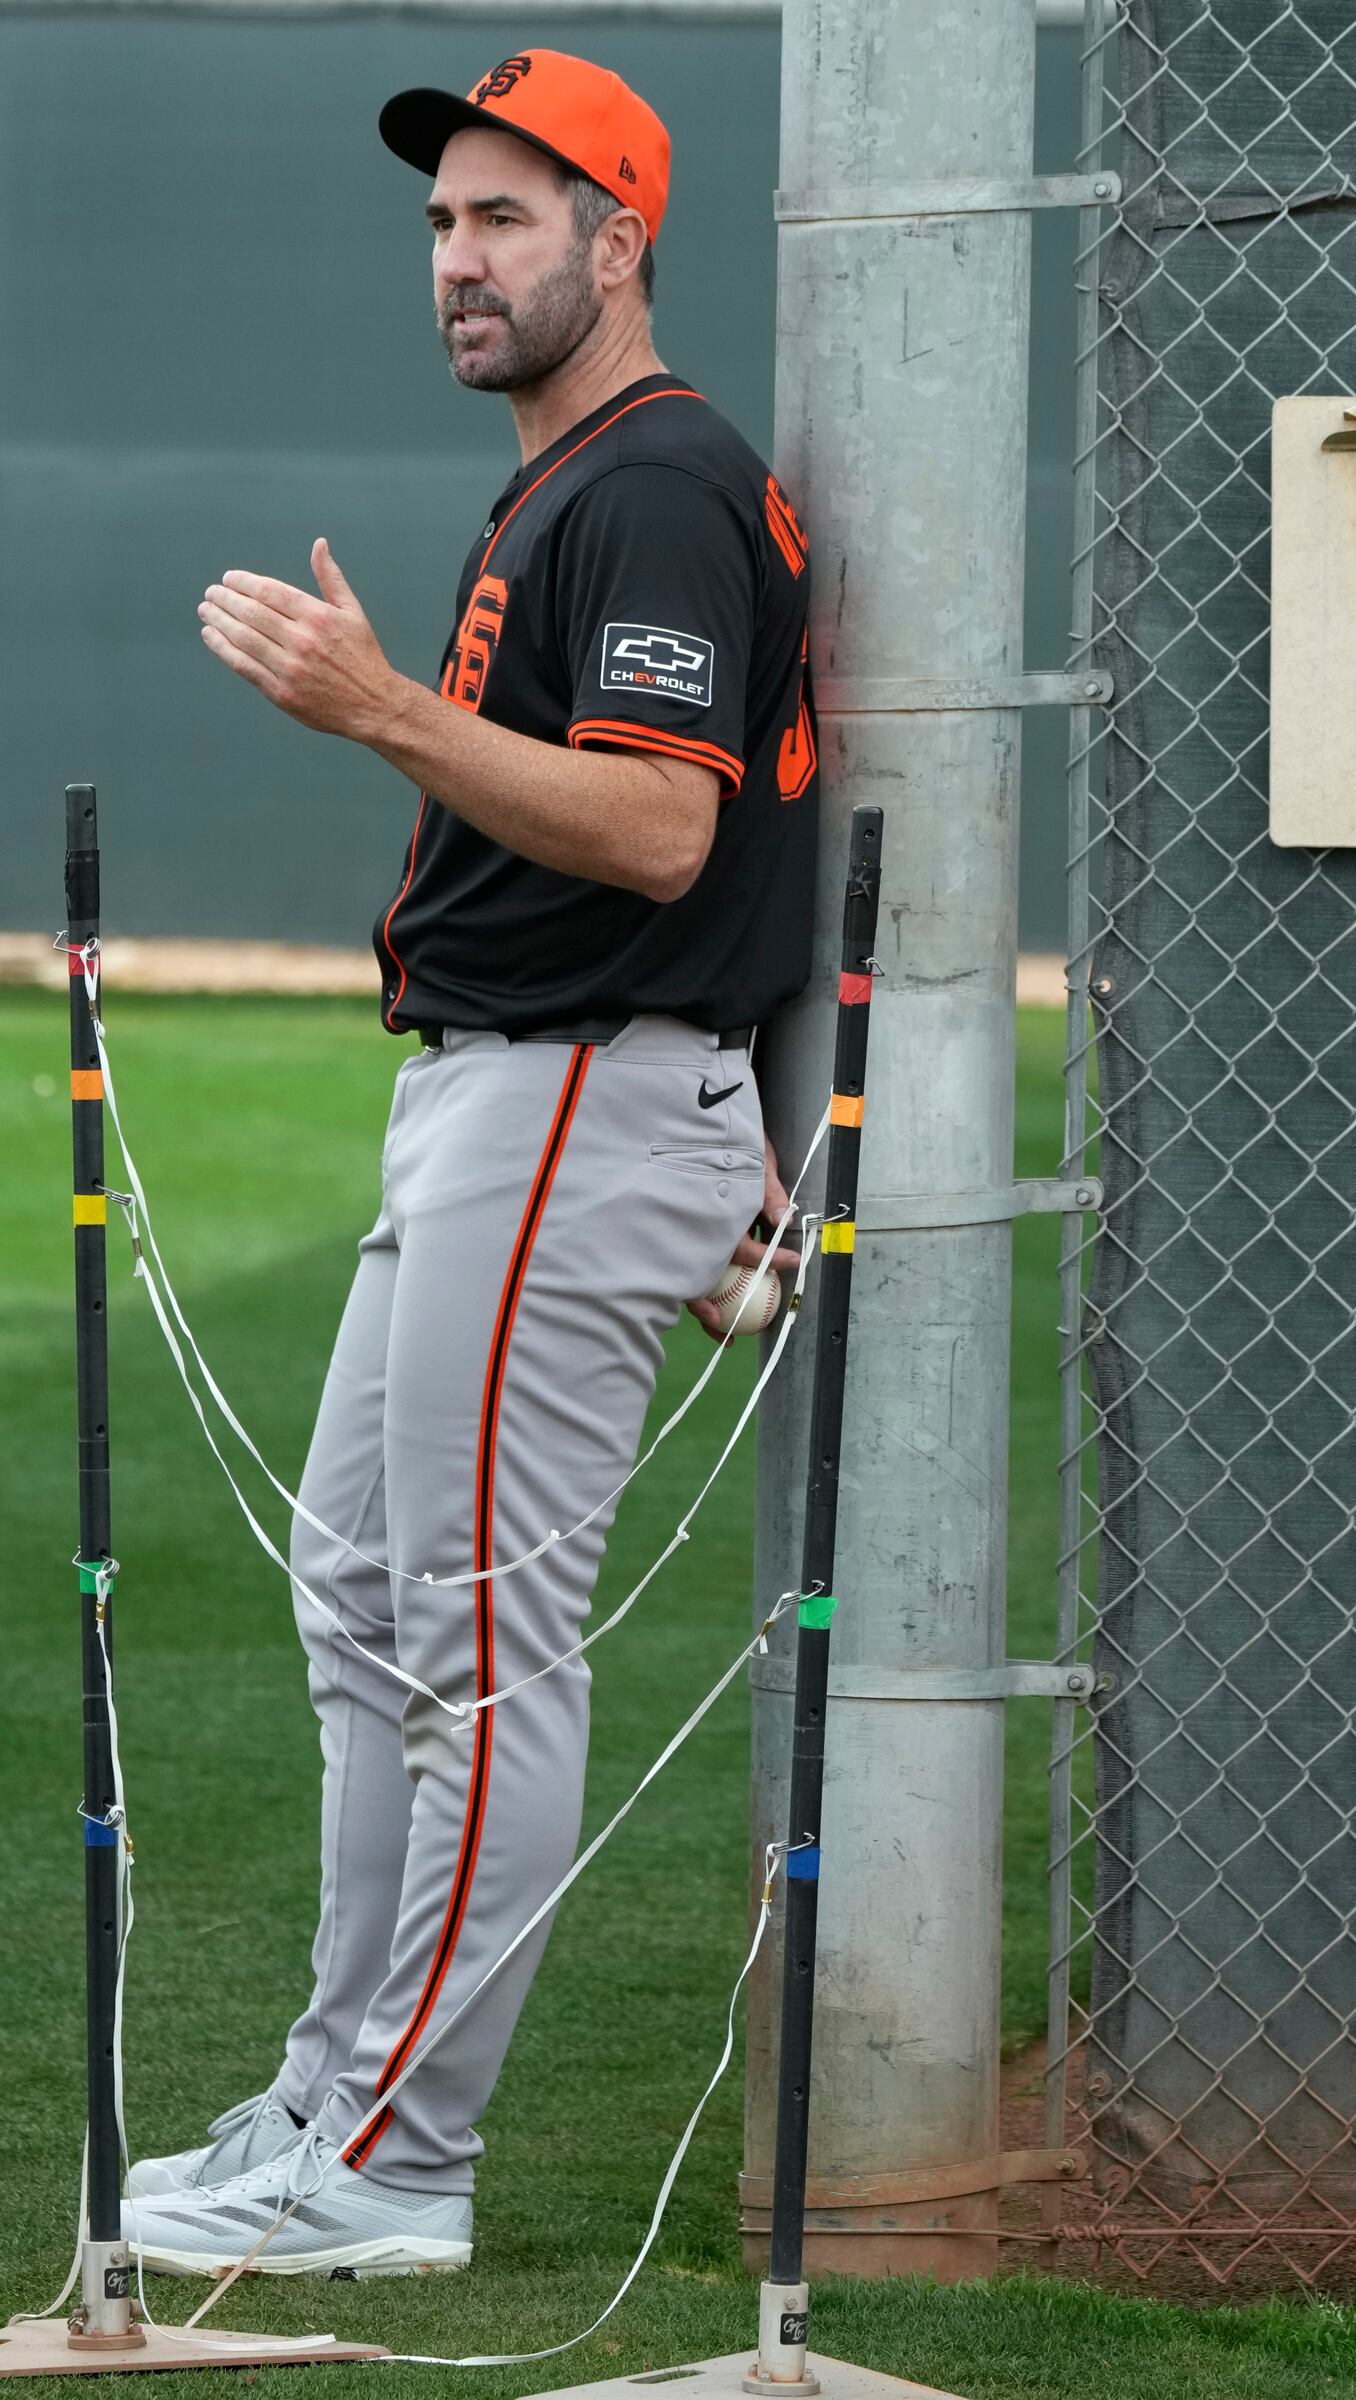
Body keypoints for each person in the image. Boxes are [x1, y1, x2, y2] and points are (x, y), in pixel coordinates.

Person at [121, 46, 818, 2279]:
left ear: (621, 243)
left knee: (477, 1642)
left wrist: (377, 707)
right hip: (522, 1098)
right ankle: (332, 2099)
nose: (458, 257)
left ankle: (400, 2163)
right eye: (441, 222)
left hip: (579, 1098)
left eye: (507, 217)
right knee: (364, 1608)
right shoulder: (582, 480)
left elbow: (663, 827)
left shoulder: (659, 484)